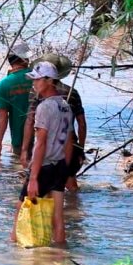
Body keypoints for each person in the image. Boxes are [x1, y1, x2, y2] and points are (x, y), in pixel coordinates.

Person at [15, 61, 74, 245]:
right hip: (60, 165)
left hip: (44, 167)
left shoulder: (44, 107)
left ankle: (14, 255)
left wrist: (33, 178)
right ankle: (59, 255)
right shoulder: (65, 105)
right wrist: (66, 169)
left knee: (19, 214)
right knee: (58, 216)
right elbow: (69, 142)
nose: (34, 84)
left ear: (49, 81)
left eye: (37, 80)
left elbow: (40, 144)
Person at [20, 54, 87, 191]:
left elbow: (29, 121)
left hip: (46, 145)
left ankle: (67, 211)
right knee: (67, 184)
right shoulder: (72, 92)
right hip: (68, 143)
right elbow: (81, 123)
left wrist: (24, 149)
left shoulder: (36, 92)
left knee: (39, 187)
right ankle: (74, 209)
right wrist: (80, 147)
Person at [0, 42, 33, 157]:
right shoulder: (40, 78)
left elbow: (3, 116)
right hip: (46, 138)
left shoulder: (4, 84)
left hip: (19, 140)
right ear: (25, 60)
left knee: (19, 170)